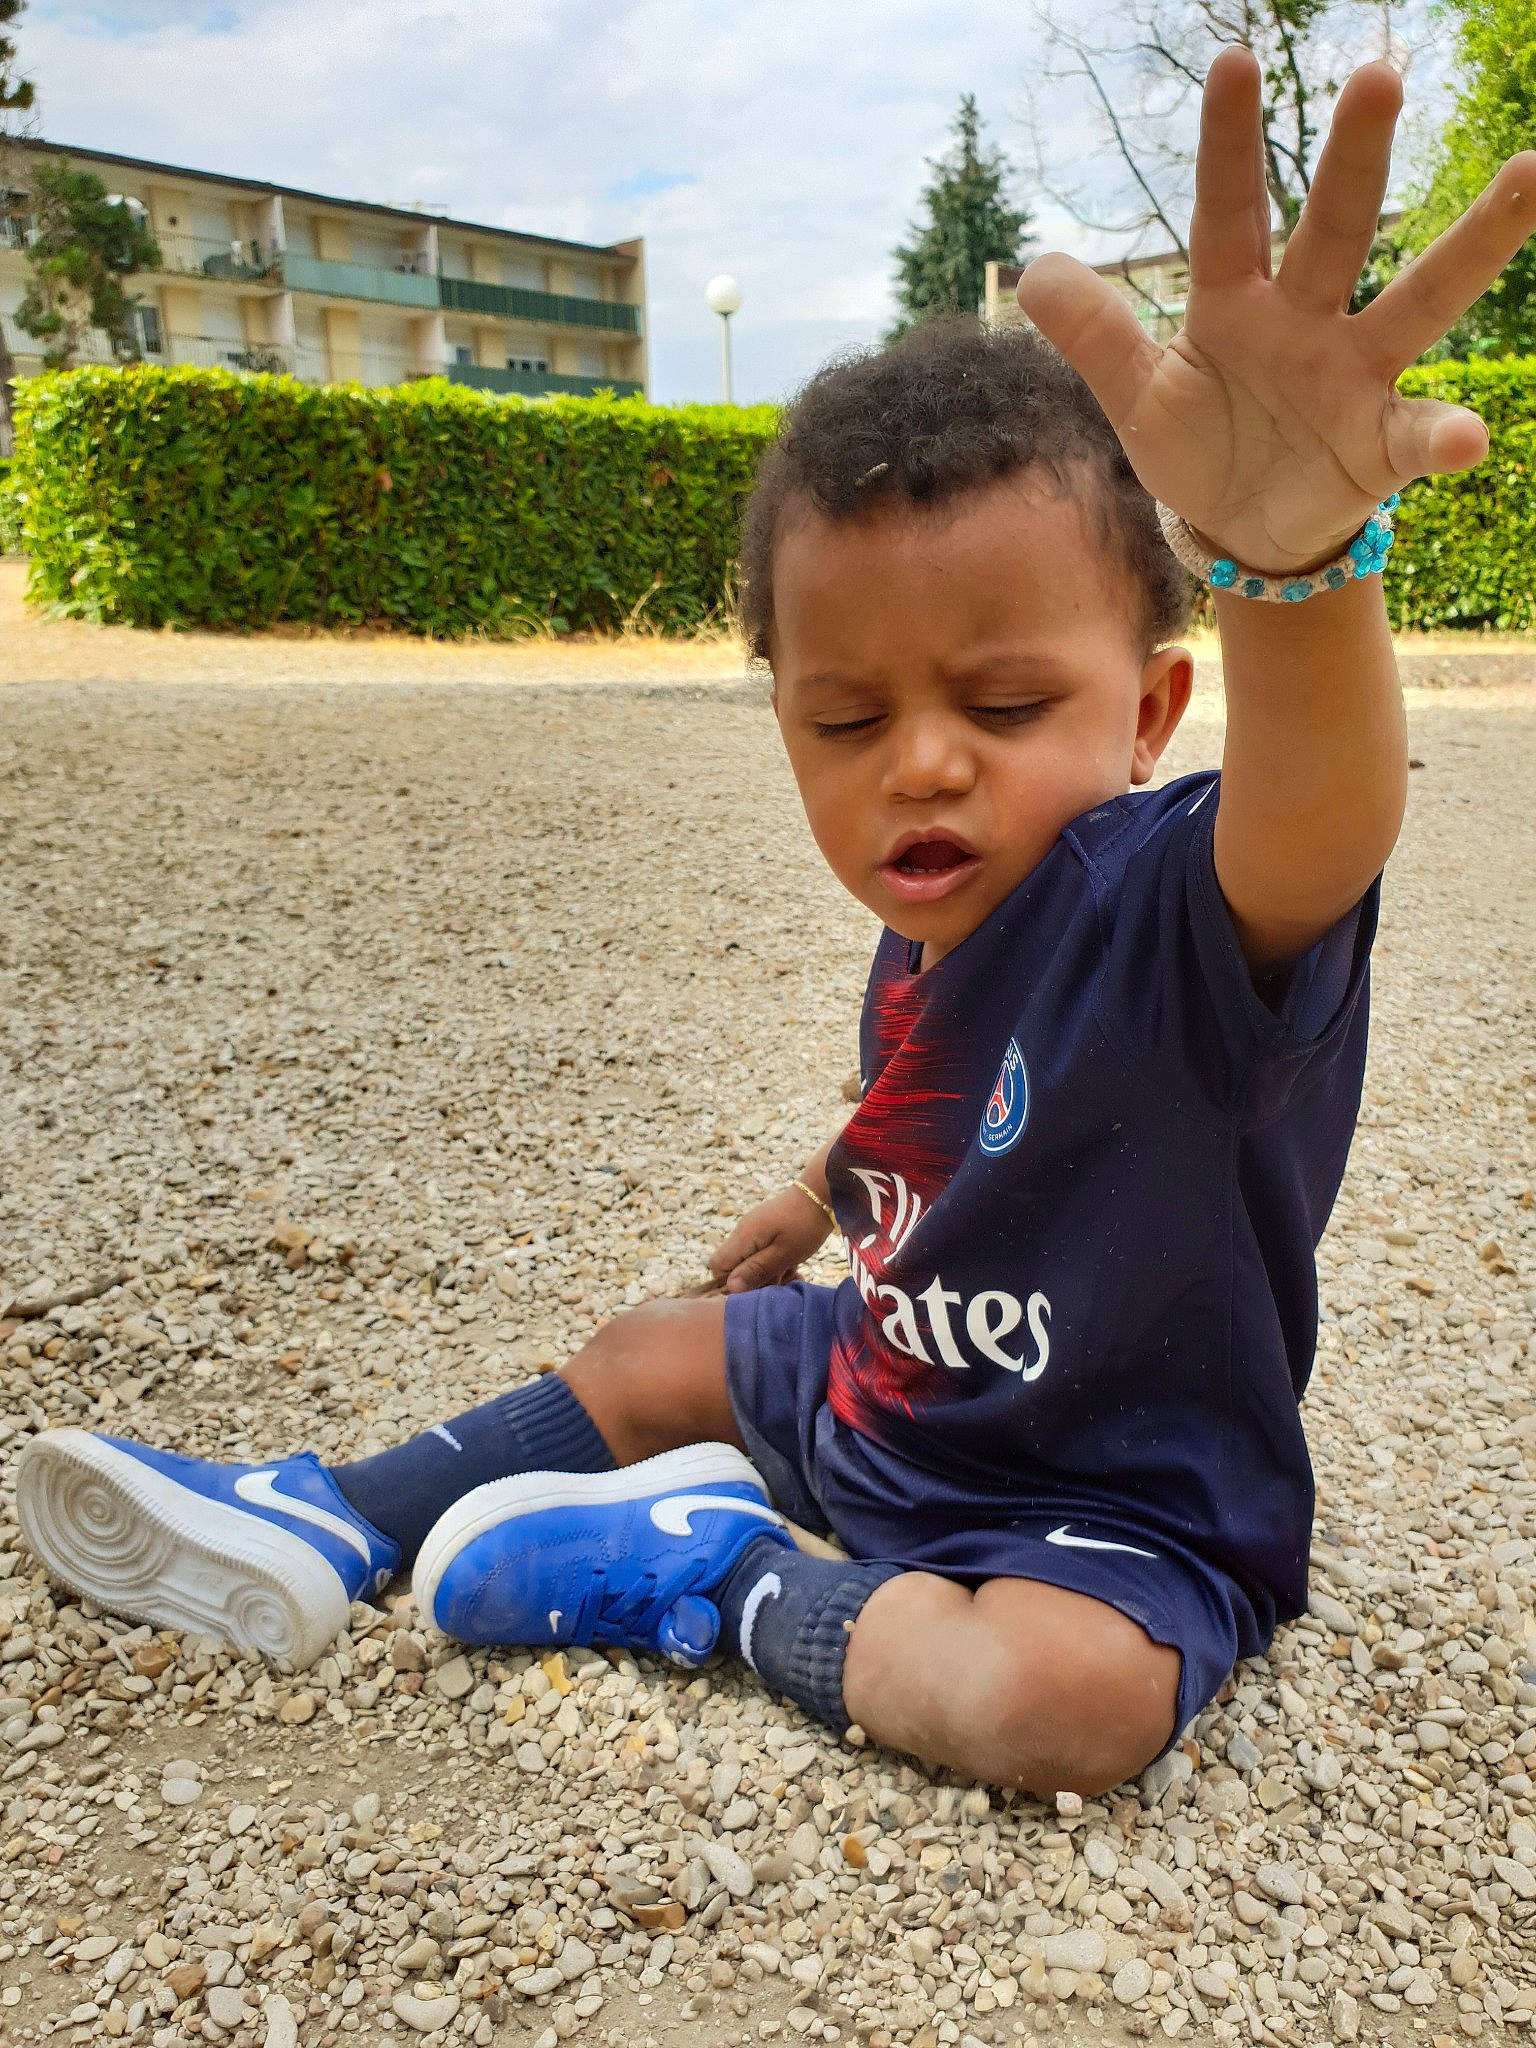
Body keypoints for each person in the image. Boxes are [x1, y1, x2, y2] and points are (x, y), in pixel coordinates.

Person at [17, 54, 1536, 1795]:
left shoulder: (1185, 908)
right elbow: (954, 1092)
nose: (924, 767)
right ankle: (328, 1514)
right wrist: (823, 1193)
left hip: (1107, 1487)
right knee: (651, 1348)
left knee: (1057, 1708)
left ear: (1145, 714)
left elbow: (1324, 819)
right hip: (892, 1380)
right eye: (846, 722)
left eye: (1009, 703)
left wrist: (1298, 565)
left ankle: (716, 1574)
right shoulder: (937, 919)